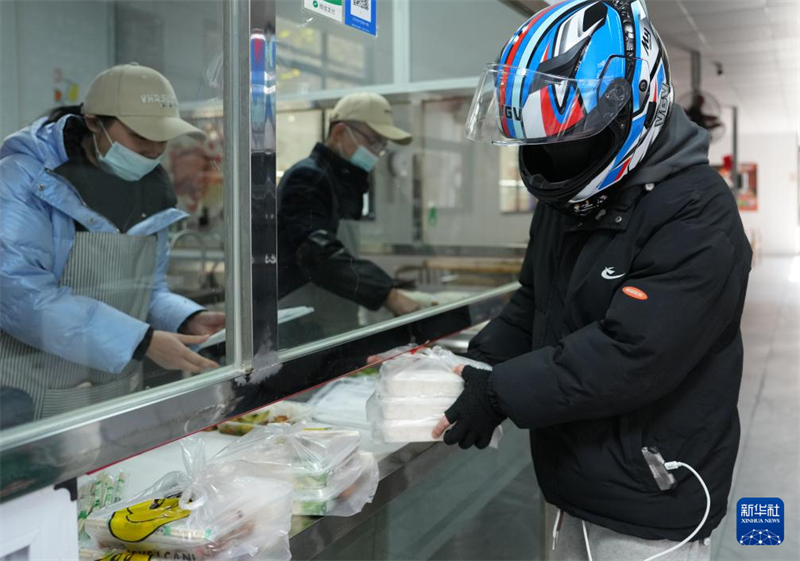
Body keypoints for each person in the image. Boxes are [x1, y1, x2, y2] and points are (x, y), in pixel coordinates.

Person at [433, 1, 751, 559]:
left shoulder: (698, 212)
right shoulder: (573, 199)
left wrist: (503, 392)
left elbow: (633, 353)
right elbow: (535, 302)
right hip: (572, 475)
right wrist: (479, 365)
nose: (552, 159)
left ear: (635, 107)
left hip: (652, 493)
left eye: (570, 140)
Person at [0, 63, 224, 421]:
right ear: (93, 122)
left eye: (162, 139)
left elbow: (146, 291)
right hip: (30, 401)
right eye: (140, 137)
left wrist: (186, 318)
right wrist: (140, 341)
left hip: (115, 395)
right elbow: (20, 296)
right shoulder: (21, 179)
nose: (153, 151)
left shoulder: (152, 191)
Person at [277, 92, 421, 347]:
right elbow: (317, 254)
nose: (377, 152)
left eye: (382, 145)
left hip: (336, 321)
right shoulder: (307, 179)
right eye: (374, 141)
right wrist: (387, 294)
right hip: (301, 328)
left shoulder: (346, 183)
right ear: (340, 132)